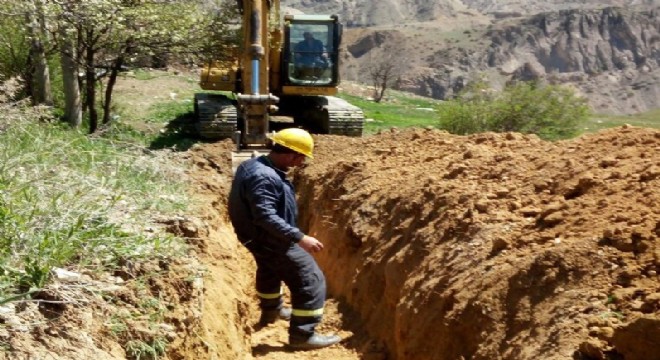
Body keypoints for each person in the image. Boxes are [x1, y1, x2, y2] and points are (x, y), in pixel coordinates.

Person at [228, 128, 341, 350]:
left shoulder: (254, 166)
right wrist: (299, 237)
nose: (301, 163)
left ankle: (272, 310)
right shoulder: (264, 176)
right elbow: (265, 216)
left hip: (257, 238)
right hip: (271, 240)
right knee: (310, 280)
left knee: (270, 270)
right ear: (292, 155)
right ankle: (303, 335)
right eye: (301, 158)